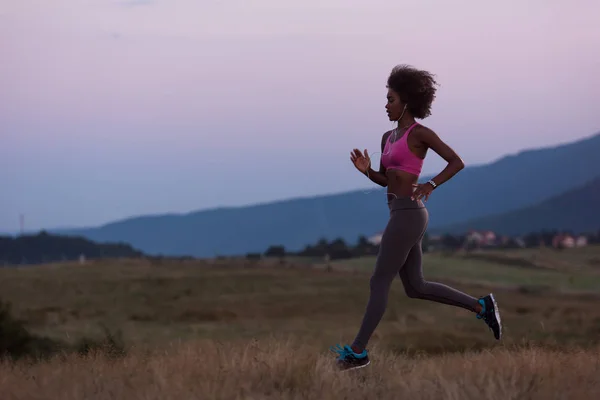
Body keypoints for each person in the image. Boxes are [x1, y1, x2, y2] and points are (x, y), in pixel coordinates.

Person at [330, 64, 502, 371]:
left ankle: (357, 351)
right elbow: (387, 180)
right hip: (400, 212)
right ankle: (482, 306)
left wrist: (431, 184)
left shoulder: (419, 133)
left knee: (379, 279)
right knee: (416, 287)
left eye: (391, 99)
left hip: (410, 213)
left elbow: (456, 161)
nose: (386, 105)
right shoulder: (387, 137)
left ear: (406, 101)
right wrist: (367, 171)